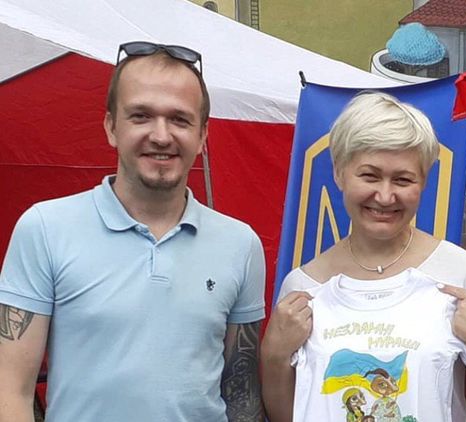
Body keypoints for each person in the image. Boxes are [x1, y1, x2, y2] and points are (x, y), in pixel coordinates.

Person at [0, 42, 266, 422]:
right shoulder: (44, 229)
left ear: (203, 136)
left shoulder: (241, 245)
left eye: (180, 119)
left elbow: (242, 396)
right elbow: (10, 390)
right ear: (111, 126)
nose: (161, 136)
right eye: (141, 116)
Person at [261, 92, 466, 422]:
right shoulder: (302, 288)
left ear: (423, 181)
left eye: (403, 179)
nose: (385, 196)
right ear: (339, 172)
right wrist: (274, 355)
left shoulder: (462, 273)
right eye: (369, 176)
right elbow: (287, 415)